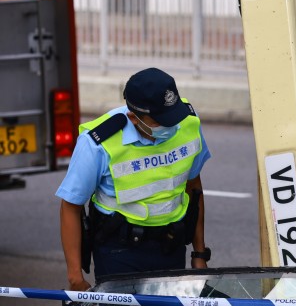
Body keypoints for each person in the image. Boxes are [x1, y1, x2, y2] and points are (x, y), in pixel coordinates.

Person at [56, 67, 212, 290]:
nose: (171, 125)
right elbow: (70, 206)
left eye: (172, 116)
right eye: (160, 121)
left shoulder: (188, 123)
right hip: (119, 253)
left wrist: (199, 253)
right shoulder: (99, 143)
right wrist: (75, 277)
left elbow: (194, 188)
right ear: (134, 118)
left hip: (171, 246)